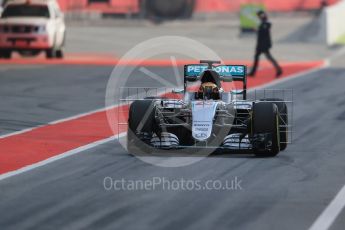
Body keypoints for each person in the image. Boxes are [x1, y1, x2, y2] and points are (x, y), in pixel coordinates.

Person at [248, 10, 283, 78]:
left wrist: (257, 30)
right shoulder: (264, 22)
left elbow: (264, 32)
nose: (258, 17)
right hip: (261, 43)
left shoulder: (266, 23)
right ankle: (253, 72)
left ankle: (279, 69)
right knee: (259, 57)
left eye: (259, 15)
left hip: (263, 44)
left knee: (267, 57)